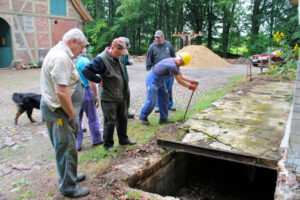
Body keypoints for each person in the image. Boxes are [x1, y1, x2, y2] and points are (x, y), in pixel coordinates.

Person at [40, 28, 89, 198]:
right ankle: (68, 187)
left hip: (62, 110)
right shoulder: (60, 57)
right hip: (60, 112)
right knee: (66, 148)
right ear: (72, 42)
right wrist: (71, 114)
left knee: (68, 147)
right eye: (81, 46)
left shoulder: (64, 53)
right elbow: (61, 92)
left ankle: (71, 176)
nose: (82, 51)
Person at [82, 38, 136, 151]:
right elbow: (86, 70)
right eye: (119, 52)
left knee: (123, 118)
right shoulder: (101, 59)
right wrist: (97, 79)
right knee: (110, 121)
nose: (121, 55)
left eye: (123, 52)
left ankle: (123, 140)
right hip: (108, 96)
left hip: (120, 94)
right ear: (113, 48)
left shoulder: (120, 56)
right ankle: (108, 144)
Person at [139, 52, 198, 126]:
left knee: (164, 97)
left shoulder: (175, 62)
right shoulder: (172, 65)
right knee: (152, 100)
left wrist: (192, 81)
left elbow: (181, 75)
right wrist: (189, 86)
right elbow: (179, 81)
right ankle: (143, 117)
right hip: (152, 80)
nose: (182, 66)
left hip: (160, 80)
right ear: (181, 61)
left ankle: (163, 118)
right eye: (183, 64)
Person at [75, 47, 103, 151]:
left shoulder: (70, 61)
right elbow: (91, 81)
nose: (85, 49)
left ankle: (78, 143)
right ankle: (96, 139)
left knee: (77, 119)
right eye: (84, 47)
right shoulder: (84, 61)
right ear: (81, 49)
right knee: (92, 117)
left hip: (74, 93)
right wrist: (95, 95)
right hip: (86, 91)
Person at [146, 30, 176, 112]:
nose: (157, 39)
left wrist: (174, 68)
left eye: (158, 37)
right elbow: (149, 60)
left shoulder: (168, 45)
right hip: (158, 73)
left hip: (169, 72)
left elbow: (173, 57)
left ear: (162, 37)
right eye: (155, 37)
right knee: (159, 90)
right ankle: (158, 106)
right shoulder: (152, 47)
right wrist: (149, 71)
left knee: (169, 89)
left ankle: (170, 105)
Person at [119, 37, 135, 119]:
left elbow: (126, 62)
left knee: (127, 95)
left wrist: (129, 61)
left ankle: (126, 112)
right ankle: (121, 114)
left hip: (125, 78)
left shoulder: (124, 54)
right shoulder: (116, 55)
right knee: (120, 98)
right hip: (118, 80)